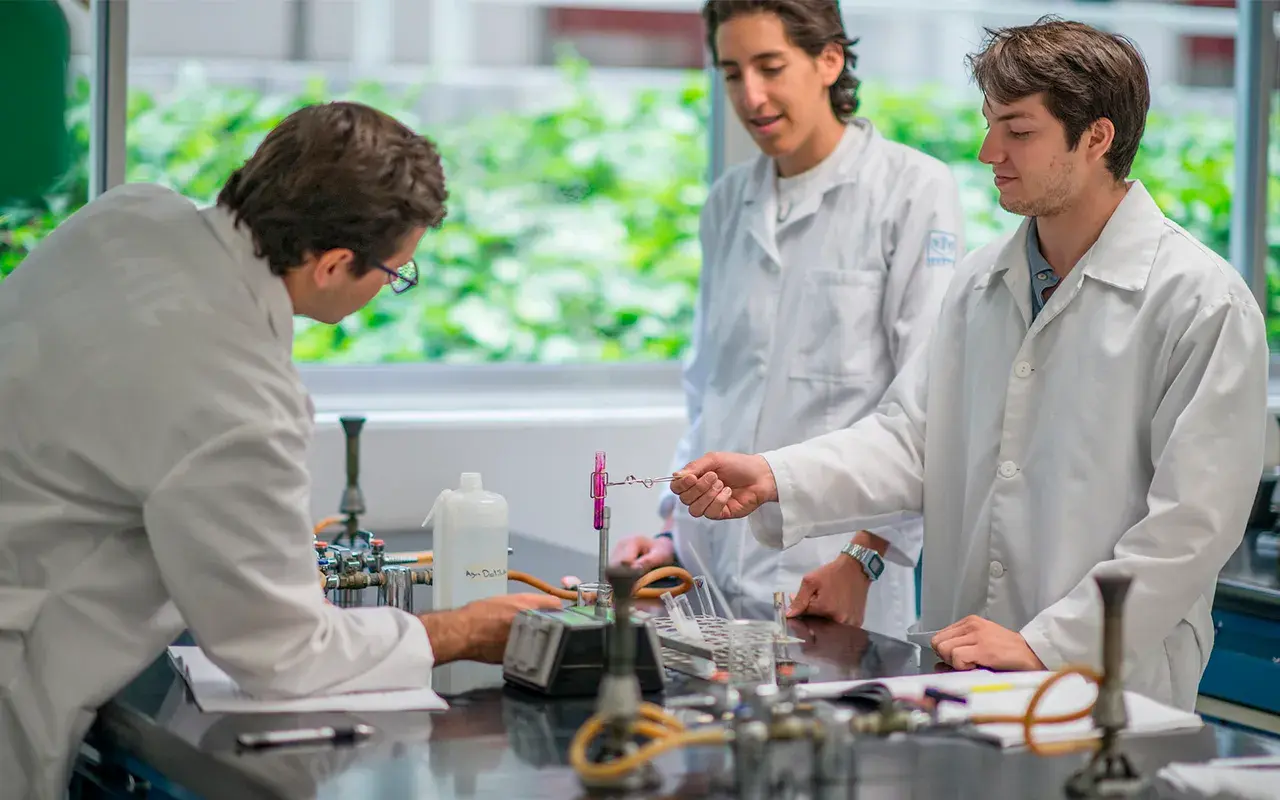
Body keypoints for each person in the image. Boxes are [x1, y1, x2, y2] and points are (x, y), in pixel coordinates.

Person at [667, 16, 1268, 711]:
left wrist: (1051, 644)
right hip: (963, 670)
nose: (989, 151)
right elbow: (912, 440)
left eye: (1018, 131)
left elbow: (1190, 528)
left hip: (1109, 688)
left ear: (1097, 138)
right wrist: (775, 475)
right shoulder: (983, 283)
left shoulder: (1200, 302)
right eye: (990, 125)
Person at [0, 101, 561, 799]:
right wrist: (463, 630)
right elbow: (285, 655)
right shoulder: (239, 392)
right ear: (332, 265)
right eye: (395, 273)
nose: (390, 285)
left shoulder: (130, 216)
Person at [599, 0, 963, 636]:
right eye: (732, 73)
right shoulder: (726, 204)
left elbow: (927, 408)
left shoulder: (913, 191)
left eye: (770, 67)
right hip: (708, 574)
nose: (753, 96)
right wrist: (670, 531)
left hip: (831, 576)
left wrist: (864, 560)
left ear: (829, 60)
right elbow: (710, 389)